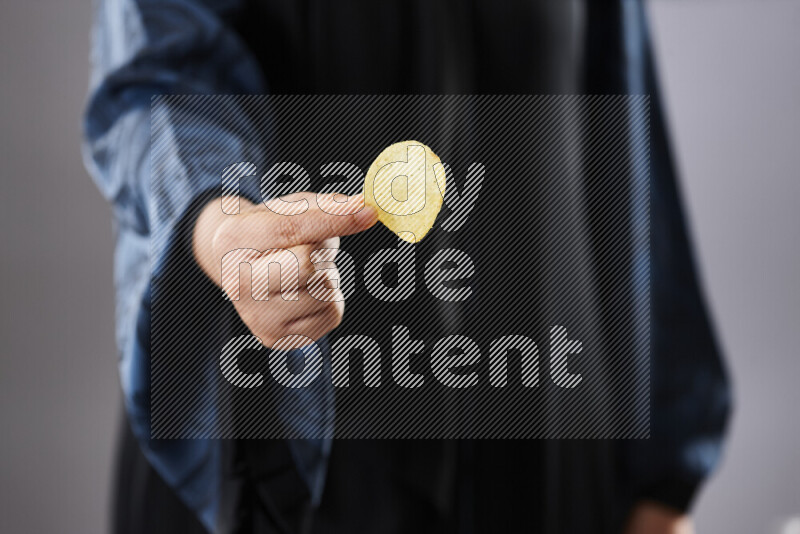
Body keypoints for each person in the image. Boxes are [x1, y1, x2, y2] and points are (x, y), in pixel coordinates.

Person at [83, 1, 731, 533]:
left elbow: (618, 127)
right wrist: (222, 221)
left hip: (542, 450)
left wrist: (663, 476)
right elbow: (160, 80)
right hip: (284, 440)